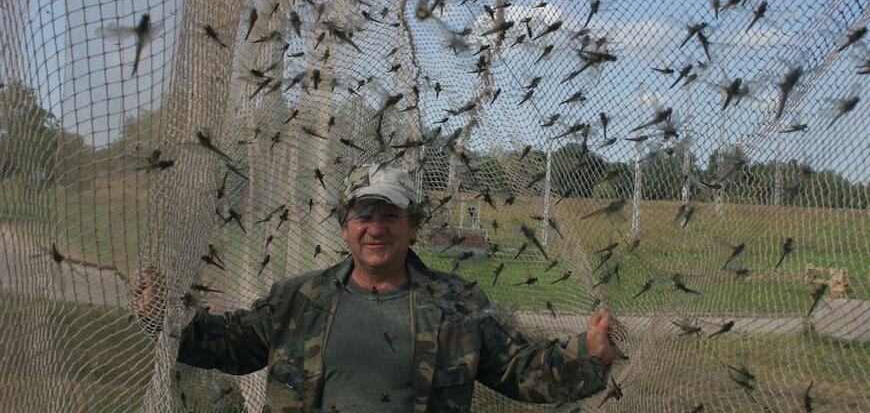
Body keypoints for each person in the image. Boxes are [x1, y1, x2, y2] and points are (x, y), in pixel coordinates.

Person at [134, 164, 616, 412]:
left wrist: (587, 355)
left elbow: (519, 369)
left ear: (413, 227)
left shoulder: (458, 305)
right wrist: (162, 315)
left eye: (391, 216)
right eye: (364, 215)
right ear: (345, 228)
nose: (376, 228)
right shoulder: (297, 300)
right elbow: (230, 346)